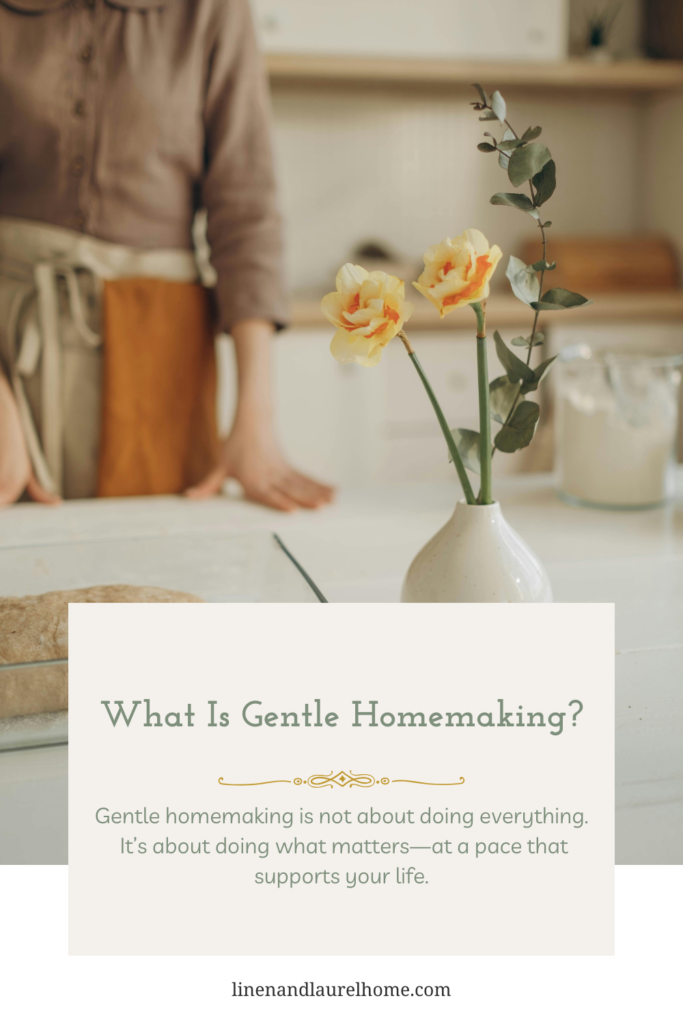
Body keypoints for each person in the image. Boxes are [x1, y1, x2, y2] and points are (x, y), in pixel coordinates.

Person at [0, 0, 333, 513]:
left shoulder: (212, 10)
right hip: (10, 347)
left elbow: (245, 215)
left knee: (150, 578)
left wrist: (254, 420)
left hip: (159, 353)